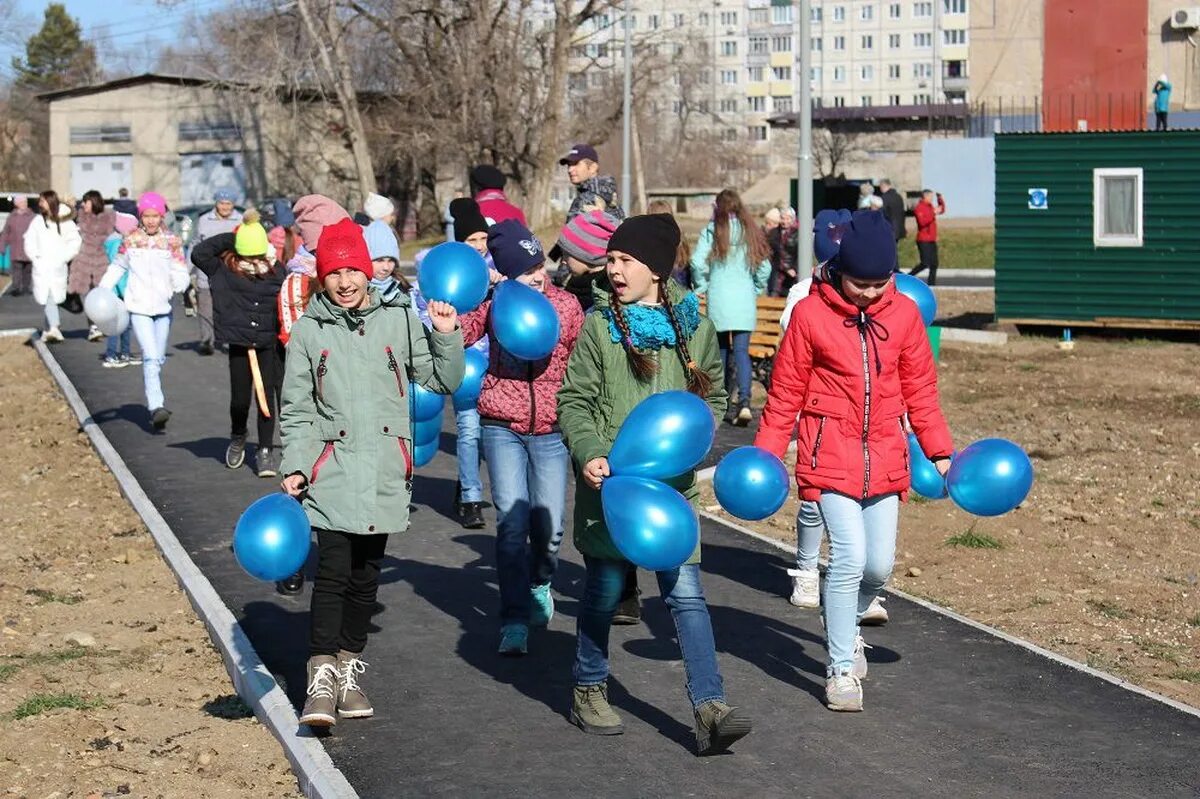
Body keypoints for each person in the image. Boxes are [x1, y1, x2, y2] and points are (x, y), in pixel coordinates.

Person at [557, 213, 750, 753]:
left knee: (687, 597)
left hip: (671, 493)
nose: (613, 269)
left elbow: (710, 399)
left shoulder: (696, 329)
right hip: (610, 491)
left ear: (657, 271)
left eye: (625, 261)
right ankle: (588, 688)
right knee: (602, 593)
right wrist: (591, 452)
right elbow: (573, 400)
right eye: (611, 260)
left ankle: (709, 706)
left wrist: (694, 441)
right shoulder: (600, 327)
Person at [754, 211, 953, 713]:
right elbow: (785, 393)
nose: (866, 293)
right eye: (857, 283)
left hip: (886, 454)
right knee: (846, 559)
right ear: (839, 268)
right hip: (828, 455)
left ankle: (854, 615)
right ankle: (840, 667)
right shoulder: (810, 315)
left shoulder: (905, 315)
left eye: (877, 283)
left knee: (879, 565)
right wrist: (767, 458)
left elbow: (921, 392)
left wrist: (941, 452)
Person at [280, 218, 464, 728]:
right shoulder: (309, 330)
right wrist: (297, 465)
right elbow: (296, 407)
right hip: (331, 467)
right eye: (334, 273)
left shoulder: (401, 318)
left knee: (366, 577)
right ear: (322, 277)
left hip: (385, 465)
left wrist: (447, 335)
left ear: (367, 272)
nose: (344, 282)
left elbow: (441, 379)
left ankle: (348, 671)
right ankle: (319, 679)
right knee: (334, 572)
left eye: (352, 271)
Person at [457, 220, 583, 655]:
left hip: (551, 430)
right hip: (502, 425)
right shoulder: (493, 305)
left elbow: (583, 363)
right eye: (526, 268)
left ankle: (541, 581)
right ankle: (513, 620)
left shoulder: (566, 306)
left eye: (539, 263)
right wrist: (443, 321)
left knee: (549, 529)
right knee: (511, 526)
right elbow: (462, 331)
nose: (537, 273)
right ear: (506, 274)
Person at [191, 209, 289, 478]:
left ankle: (266, 450)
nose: (251, 259)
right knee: (239, 401)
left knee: (265, 400)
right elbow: (199, 253)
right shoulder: (224, 269)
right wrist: (235, 237)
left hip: (268, 344)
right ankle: (238, 436)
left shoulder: (276, 270)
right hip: (239, 344)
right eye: (247, 252)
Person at [99, 192, 189, 430]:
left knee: (158, 357)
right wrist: (103, 290)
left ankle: (156, 400)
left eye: (155, 215)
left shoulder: (171, 240)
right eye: (146, 216)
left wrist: (180, 282)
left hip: (163, 308)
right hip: (138, 307)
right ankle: (156, 406)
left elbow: (180, 268)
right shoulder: (130, 239)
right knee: (149, 356)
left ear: (161, 216)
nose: (150, 220)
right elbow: (117, 267)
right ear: (140, 216)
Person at [689, 188, 771, 426]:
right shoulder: (750, 232)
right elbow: (764, 267)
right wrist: (755, 287)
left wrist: (702, 284)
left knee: (722, 353)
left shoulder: (713, 231)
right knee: (742, 353)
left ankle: (721, 403)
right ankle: (744, 403)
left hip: (719, 298)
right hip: (744, 299)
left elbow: (696, 261)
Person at [445, 197, 496, 529]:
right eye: (471, 240)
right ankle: (471, 498)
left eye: (482, 238)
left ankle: (465, 483)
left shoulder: (497, 268)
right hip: (464, 363)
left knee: (488, 433)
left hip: (497, 363)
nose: (479, 246)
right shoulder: (447, 270)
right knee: (467, 428)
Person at [24, 190, 81, 344]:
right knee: (47, 296)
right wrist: (36, 257)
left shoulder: (65, 222)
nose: (40, 204)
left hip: (57, 266)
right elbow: (29, 240)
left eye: (42, 201)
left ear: (50, 201)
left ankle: (53, 327)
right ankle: (50, 329)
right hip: (42, 266)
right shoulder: (37, 221)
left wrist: (63, 258)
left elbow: (75, 241)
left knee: (52, 296)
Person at [191, 189, 244, 355]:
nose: (225, 207)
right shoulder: (204, 220)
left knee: (230, 308)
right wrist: (188, 270)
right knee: (206, 307)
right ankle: (207, 340)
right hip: (205, 271)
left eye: (228, 204)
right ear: (216, 203)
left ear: (233, 204)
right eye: (221, 203)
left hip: (231, 272)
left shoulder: (241, 220)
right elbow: (194, 245)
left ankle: (230, 341)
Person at [554, 209, 620, 311]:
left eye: (567, 254)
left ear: (588, 256)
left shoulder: (603, 296)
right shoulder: (579, 286)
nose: (563, 261)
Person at [73, 190, 116, 341]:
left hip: (105, 263)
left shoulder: (109, 217)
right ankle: (93, 327)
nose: (83, 205)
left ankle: (105, 324)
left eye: (86, 202)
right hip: (86, 264)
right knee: (89, 296)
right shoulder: (80, 218)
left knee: (105, 295)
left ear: (94, 202)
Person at [101, 212, 141, 368]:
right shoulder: (116, 243)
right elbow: (117, 269)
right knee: (115, 324)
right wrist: (124, 291)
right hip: (118, 291)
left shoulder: (120, 241)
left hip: (124, 289)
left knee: (126, 324)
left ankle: (125, 352)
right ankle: (111, 353)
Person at [561, 143, 624, 221]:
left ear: (593, 167)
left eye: (575, 164)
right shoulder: (606, 193)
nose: (570, 170)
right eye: (569, 165)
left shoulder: (591, 197)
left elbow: (574, 232)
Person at [646, 198, 692, 291]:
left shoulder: (647, 239)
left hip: (658, 291)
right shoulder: (680, 236)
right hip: (681, 287)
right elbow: (686, 263)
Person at [908, 189, 946, 285]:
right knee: (925, 263)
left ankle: (931, 283)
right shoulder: (919, 208)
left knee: (934, 263)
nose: (931, 199)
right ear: (925, 196)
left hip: (932, 239)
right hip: (923, 239)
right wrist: (933, 213)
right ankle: (909, 276)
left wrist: (940, 199)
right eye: (930, 197)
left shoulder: (930, 206)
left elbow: (941, 209)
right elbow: (922, 222)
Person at [0, 196, 35, 297]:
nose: (25, 204)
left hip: (29, 248)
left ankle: (26, 287)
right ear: (17, 204)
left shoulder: (32, 216)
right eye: (22, 202)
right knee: (16, 269)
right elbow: (6, 232)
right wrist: (2, 246)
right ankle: (16, 287)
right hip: (15, 247)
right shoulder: (11, 217)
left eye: (26, 202)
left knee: (28, 269)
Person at [764, 207, 797, 297]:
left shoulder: (798, 234)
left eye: (788, 218)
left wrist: (794, 268)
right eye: (783, 218)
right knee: (773, 294)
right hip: (776, 273)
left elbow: (800, 255)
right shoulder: (773, 233)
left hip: (792, 274)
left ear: (793, 219)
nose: (785, 221)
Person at [879, 179, 906, 246]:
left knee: (888, 251)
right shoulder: (898, 196)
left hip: (889, 228)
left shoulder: (884, 197)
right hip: (899, 228)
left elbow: (882, 213)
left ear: (883, 186)